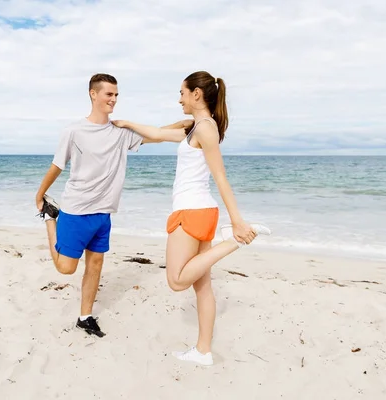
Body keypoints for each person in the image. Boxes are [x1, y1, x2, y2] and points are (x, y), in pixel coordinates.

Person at [112, 70, 271, 365]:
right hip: (200, 210)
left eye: (182, 93)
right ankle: (203, 351)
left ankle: (233, 242)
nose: (179, 99)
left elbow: (220, 176)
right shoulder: (197, 127)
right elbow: (158, 134)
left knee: (176, 281)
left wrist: (237, 221)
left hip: (192, 211)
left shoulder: (205, 128)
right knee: (203, 286)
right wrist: (125, 123)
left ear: (196, 94)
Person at [35, 73, 149, 338]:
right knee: (66, 268)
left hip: (104, 211)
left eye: (116, 95)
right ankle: (50, 219)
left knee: (95, 264)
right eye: (109, 94)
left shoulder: (121, 132)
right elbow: (57, 165)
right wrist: (40, 194)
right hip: (76, 209)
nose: (114, 100)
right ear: (93, 94)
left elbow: (157, 135)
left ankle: (85, 317)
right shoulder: (74, 131)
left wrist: (195, 122)